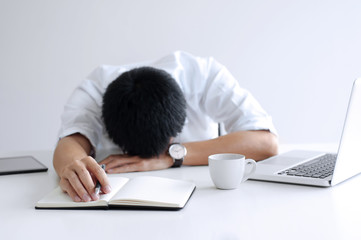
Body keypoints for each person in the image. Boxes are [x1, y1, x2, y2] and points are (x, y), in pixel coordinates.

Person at [53, 51, 278, 203]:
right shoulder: (94, 89)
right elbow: (71, 140)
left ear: (177, 128)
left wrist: (172, 156)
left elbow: (265, 143)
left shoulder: (202, 74)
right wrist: (71, 167)